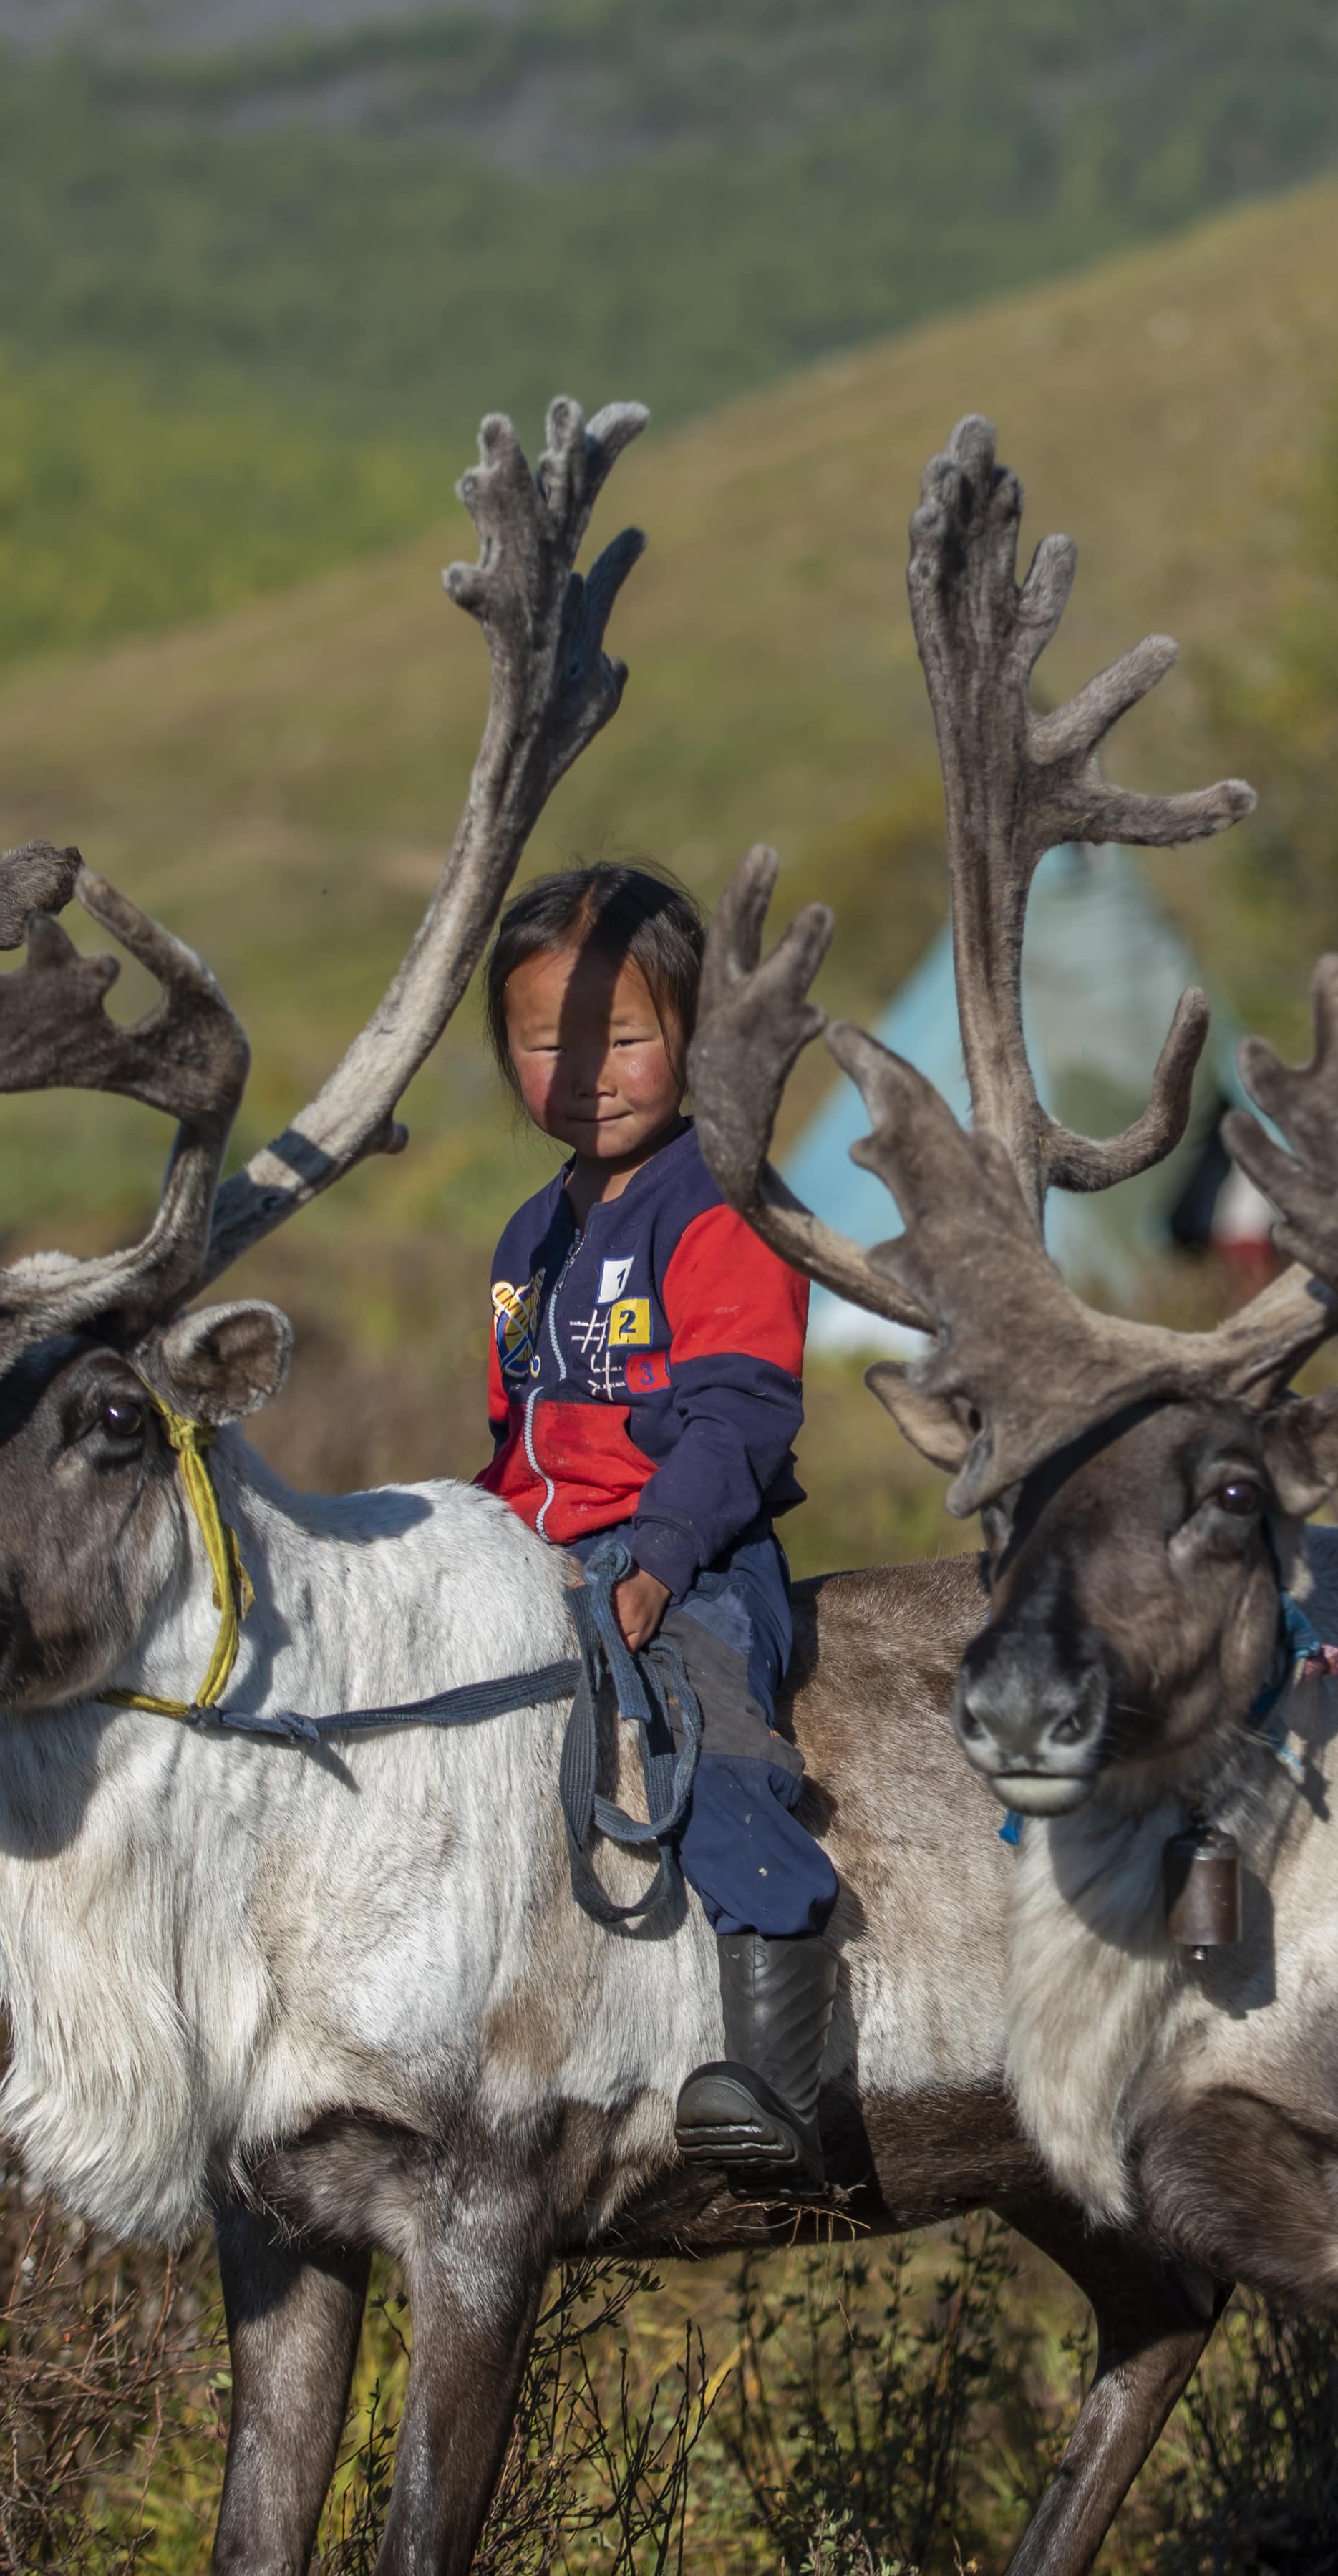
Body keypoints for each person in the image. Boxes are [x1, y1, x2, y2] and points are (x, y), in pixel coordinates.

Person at [479, 861, 841, 2189]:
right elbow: (510, 1442)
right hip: (539, 1559)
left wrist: (660, 1559)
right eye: (546, 1041)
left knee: (712, 1735)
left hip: (689, 1553)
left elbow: (742, 1415)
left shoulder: (722, 1201)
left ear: (691, 1040)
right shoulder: (531, 1236)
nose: (588, 1069)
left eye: (623, 1036)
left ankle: (779, 2072)